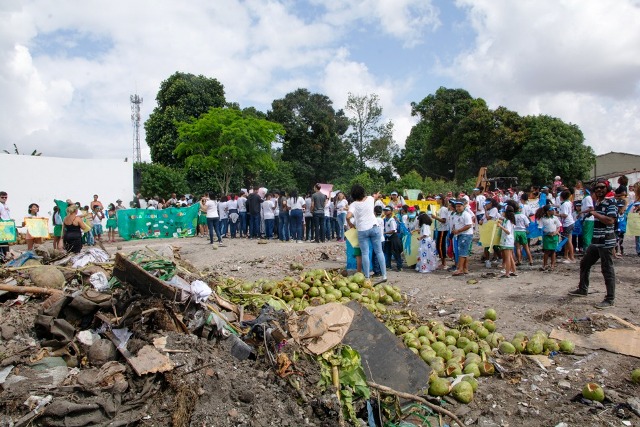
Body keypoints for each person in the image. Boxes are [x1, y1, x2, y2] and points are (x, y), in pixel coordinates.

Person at [568, 179, 617, 309]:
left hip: (606, 241)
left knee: (607, 269)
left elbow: (610, 220)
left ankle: (610, 299)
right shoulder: (599, 203)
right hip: (596, 240)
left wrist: (594, 213)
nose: (599, 190)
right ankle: (583, 289)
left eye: (602, 187)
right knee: (585, 263)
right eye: (597, 188)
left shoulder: (610, 202)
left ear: (607, 189)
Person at [346, 185, 386, 282]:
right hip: (374, 227)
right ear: (363, 192)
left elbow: (348, 216)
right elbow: (375, 196)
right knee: (379, 252)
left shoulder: (353, 205)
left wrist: (350, 224)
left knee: (365, 253)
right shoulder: (370, 199)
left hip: (362, 230)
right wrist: (377, 195)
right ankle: (384, 275)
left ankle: (367, 277)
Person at [451, 200, 474, 276]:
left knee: (462, 252)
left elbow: (469, 225)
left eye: (459, 206)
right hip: (459, 234)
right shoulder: (455, 214)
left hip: (466, 234)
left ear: (463, 206)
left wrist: (458, 230)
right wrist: (454, 230)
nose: (458, 208)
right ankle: (465, 268)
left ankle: (460, 269)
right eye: (457, 206)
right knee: (464, 252)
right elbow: (454, 224)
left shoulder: (466, 214)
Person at [538, 205, 561, 270]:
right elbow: (540, 228)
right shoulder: (543, 219)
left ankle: (552, 265)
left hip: (554, 236)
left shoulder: (555, 218)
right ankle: (545, 265)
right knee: (546, 251)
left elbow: (558, 227)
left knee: (553, 251)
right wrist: (547, 233)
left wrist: (556, 232)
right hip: (547, 237)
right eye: (552, 210)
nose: (553, 211)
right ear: (548, 211)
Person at [497, 205, 517, 278]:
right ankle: (513, 271)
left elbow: (508, 231)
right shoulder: (508, 220)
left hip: (507, 240)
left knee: (507, 257)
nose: (502, 213)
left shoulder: (508, 221)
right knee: (510, 256)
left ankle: (507, 272)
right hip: (509, 240)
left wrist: (500, 226)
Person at [557, 190, 576, 264]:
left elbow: (565, 214)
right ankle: (566, 256)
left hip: (567, 224)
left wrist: (556, 214)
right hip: (570, 223)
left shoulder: (565, 204)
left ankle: (571, 257)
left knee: (568, 241)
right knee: (567, 240)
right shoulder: (568, 202)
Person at [383, 206, 403, 272]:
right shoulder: (385, 219)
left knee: (396, 252)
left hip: (393, 237)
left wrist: (384, 232)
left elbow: (393, 230)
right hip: (387, 237)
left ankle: (399, 266)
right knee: (387, 252)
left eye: (387, 210)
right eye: (385, 210)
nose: (385, 211)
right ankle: (388, 266)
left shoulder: (392, 220)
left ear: (391, 211)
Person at [432, 195, 449, 270]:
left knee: (440, 245)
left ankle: (444, 263)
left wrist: (435, 217)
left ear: (441, 200)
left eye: (437, 199)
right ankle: (442, 261)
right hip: (439, 229)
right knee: (439, 245)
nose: (436, 200)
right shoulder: (440, 208)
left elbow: (444, 220)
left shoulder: (443, 209)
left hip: (443, 229)